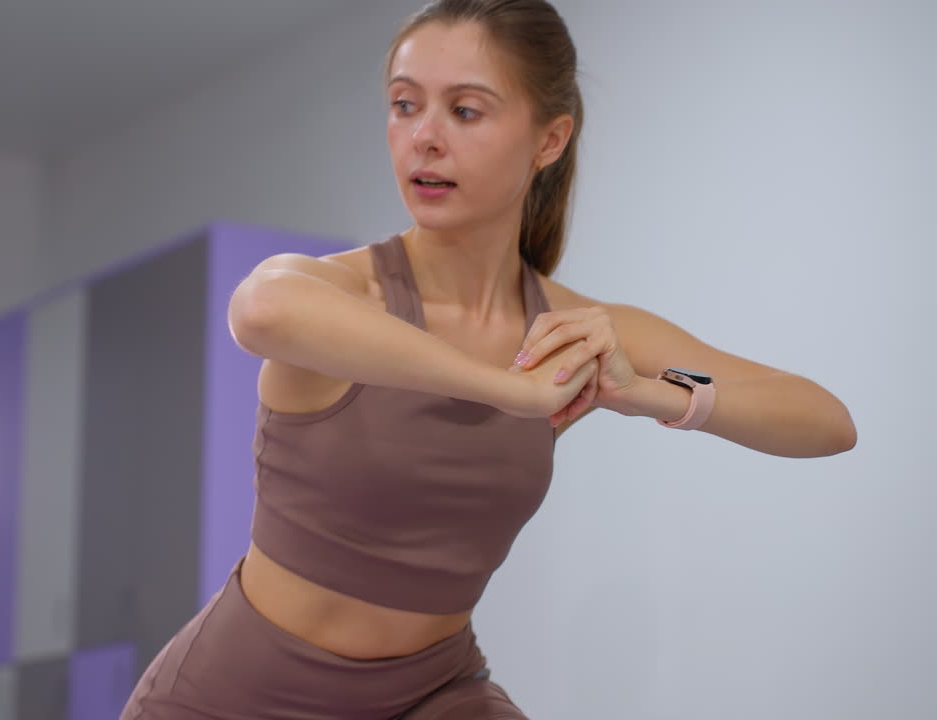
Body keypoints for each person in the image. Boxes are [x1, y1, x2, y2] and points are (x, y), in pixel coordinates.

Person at [119, 1, 857, 718]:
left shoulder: (571, 333)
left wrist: (657, 394)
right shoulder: (346, 293)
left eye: (465, 111)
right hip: (238, 695)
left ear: (549, 139)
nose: (424, 139)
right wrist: (502, 388)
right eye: (405, 106)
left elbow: (826, 420)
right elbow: (260, 310)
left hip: (433, 694)